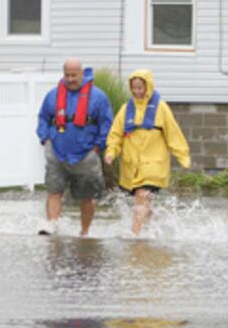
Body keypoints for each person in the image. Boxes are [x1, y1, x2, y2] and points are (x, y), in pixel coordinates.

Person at [104, 69, 190, 235]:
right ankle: (156, 229)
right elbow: (115, 134)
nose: (136, 92)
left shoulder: (161, 108)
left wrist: (183, 156)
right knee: (143, 204)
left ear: (148, 87)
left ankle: (134, 235)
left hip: (154, 165)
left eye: (140, 88)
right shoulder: (125, 109)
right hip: (131, 166)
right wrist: (111, 152)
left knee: (142, 197)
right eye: (133, 88)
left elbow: (173, 133)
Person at [36, 59, 113, 237]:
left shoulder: (98, 97)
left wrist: (98, 147)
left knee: (88, 196)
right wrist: (45, 138)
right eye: (67, 75)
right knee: (54, 190)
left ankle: (84, 232)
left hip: (86, 154)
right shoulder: (52, 95)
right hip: (57, 151)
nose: (70, 79)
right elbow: (43, 118)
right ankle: (52, 226)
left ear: (81, 74)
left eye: (73, 75)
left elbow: (106, 123)